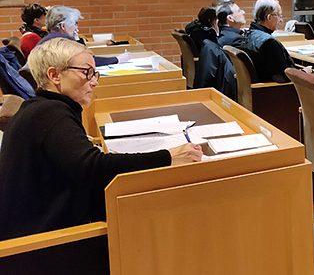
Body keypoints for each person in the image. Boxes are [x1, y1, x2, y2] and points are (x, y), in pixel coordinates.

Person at [0, 38, 202, 241]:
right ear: (54, 75)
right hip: (42, 244)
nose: (94, 81)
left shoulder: (42, 108)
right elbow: (93, 167)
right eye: (86, 72)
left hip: (42, 227)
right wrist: (169, 157)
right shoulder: (51, 114)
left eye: (94, 73)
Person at [36, 6, 128, 67]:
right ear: (63, 26)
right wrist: (117, 59)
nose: (76, 28)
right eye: (74, 24)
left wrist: (76, 39)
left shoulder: (49, 39)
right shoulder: (61, 43)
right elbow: (87, 61)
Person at [241, 0, 296, 83]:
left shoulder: (249, 34)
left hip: (257, 85)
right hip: (273, 88)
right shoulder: (269, 43)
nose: (281, 21)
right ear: (269, 17)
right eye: (279, 16)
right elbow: (282, 77)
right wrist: (304, 72)